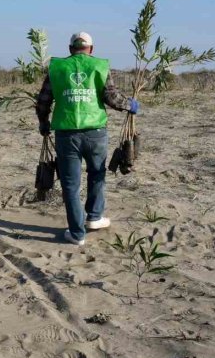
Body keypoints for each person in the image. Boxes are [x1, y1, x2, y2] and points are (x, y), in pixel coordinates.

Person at [35, 32, 139, 247]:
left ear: (70, 48)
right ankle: (94, 217)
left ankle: (77, 233)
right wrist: (130, 105)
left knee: (70, 184)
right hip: (96, 133)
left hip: (66, 134)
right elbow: (111, 97)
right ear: (91, 49)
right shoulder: (99, 66)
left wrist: (44, 123)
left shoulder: (57, 68)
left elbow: (43, 101)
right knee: (97, 173)